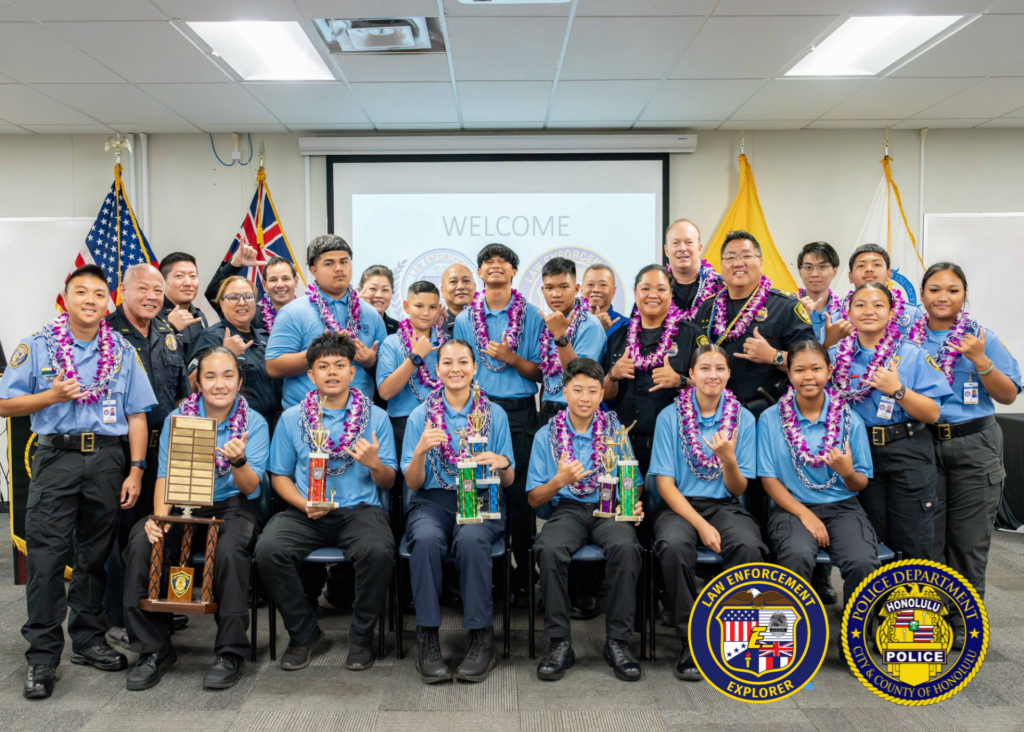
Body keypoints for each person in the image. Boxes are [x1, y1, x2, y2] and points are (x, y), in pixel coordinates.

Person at [0, 265, 156, 700]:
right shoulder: (36, 347)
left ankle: (87, 639)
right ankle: (43, 657)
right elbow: (5, 405)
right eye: (81, 292)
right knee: (47, 558)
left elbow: (138, 415)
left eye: (98, 293)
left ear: (109, 302)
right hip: (57, 457)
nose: (90, 299)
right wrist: (51, 396)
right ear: (65, 298)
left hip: (108, 459)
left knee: (95, 554)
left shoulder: (123, 352)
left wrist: (137, 469)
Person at [122, 347, 270, 691]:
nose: (220, 384)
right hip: (183, 504)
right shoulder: (179, 419)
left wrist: (238, 461)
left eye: (228, 375)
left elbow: (251, 489)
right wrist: (159, 518)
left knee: (231, 552)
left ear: (240, 380)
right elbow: (163, 476)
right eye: (210, 376)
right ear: (198, 383)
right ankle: (153, 649)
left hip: (233, 505)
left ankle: (230, 651)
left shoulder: (255, 423)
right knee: (143, 543)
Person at [256, 332, 397, 671]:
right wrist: (303, 504)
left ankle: (361, 638)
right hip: (306, 510)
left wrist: (374, 463)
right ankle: (304, 633)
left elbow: (389, 480)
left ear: (353, 372)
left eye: (340, 365)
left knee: (378, 552)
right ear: (311, 375)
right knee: (267, 549)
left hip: (360, 511)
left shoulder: (376, 417)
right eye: (323, 366)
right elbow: (279, 476)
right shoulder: (292, 418)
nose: (332, 372)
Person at [912, 263, 1020, 644]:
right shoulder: (907, 340)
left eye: (953, 290)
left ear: (965, 295)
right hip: (925, 443)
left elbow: (1008, 394)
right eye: (935, 289)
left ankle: (965, 622)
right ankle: (932, 618)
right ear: (921, 295)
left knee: (969, 539)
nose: (943, 297)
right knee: (931, 538)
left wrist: (980, 360)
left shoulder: (981, 338)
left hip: (975, 444)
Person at [647, 344, 764, 682]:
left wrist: (728, 457)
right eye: (705, 368)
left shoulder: (744, 418)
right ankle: (692, 639)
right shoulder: (670, 416)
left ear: (729, 374)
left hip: (724, 504)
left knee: (748, 546)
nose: (713, 375)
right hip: (680, 505)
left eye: (720, 368)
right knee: (673, 546)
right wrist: (699, 525)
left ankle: (737, 634)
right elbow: (665, 485)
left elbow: (739, 489)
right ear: (692, 375)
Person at [401, 339, 515, 684]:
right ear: (436, 371)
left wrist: (501, 462)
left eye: (463, 362)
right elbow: (412, 481)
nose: (455, 369)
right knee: (424, 539)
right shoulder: (420, 415)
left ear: (474, 367)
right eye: (447, 362)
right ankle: (428, 638)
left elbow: (508, 480)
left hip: (480, 500)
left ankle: (481, 638)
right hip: (432, 500)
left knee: (470, 541)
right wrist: (420, 450)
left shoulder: (494, 413)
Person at [527, 358, 644, 683]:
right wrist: (560, 480)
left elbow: (632, 481)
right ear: (564, 392)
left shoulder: (615, 431)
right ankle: (559, 642)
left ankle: (618, 642)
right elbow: (535, 499)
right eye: (577, 389)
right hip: (568, 509)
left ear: (601, 393)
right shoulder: (546, 435)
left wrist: (633, 503)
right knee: (548, 549)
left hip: (609, 510)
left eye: (593, 390)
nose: (585, 397)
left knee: (626, 547)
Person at [758, 341, 879, 643]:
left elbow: (860, 483)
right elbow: (768, 480)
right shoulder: (771, 418)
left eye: (816, 368)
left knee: (863, 561)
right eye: (799, 369)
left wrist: (846, 470)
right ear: (789, 373)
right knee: (796, 556)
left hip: (843, 507)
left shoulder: (850, 419)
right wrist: (806, 516)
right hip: (791, 508)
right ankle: (782, 640)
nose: (808, 376)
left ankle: (857, 642)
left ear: (829, 371)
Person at [828, 283, 951, 561]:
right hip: (860, 453)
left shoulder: (912, 354)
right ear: (847, 312)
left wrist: (898, 389)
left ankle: (912, 602)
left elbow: (932, 413)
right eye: (860, 305)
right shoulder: (835, 358)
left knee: (913, 538)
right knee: (870, 537)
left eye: (878, 305)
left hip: (907, 448)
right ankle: (874, 604)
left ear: (892, 312)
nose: (868, 311)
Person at [104, 264, 192, 642]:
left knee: (164, 527)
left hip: (165, 449)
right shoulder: (105, 334)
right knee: (120, 535)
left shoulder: (167, 334)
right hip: (121, 451)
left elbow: (180, 396)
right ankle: (120, 618)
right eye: (143, 289)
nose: (152, 297)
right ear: (123, 290)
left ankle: (160, 606)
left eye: (158, 290)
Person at [453, 243, 544, 602]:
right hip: (478, 412)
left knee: (519, 497)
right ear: (480, 272)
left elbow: (539, 373)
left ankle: (524, 575)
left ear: (512, 271)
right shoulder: (464, 319)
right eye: (487, 262)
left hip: (520, 411)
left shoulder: (532, 315)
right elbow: (459, 370)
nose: (495, 266)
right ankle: (492, 573)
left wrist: (510, 357)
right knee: (479, 489)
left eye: (503, 261)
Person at [694, 230, 817, 417]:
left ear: (760, 262)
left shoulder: (785, 306)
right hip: (714, 416)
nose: (738, 263)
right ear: (721, 265)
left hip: (770, 416)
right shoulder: (707, 309)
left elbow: (812, 364)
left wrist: (773, 356)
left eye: (746, 255)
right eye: (730, 257)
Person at [265, 235, 387, 410]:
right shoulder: (293, 312)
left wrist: (371, 362)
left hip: (360, 417)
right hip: (306, 418)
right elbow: (273, 367)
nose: (339, 268)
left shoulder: (371, 314)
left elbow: (387, 374)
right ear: (314, 271)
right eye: (329, 263)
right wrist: (318, 353)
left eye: (344, 262)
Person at [603, 265, 699, 475]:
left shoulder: (690, 335)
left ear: (671, 294)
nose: (652, 295)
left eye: (661, 289)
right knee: (625, 506)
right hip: (623, 447)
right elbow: (605, 394)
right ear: (636, 293)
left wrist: (680, 381)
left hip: (671, 446)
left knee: (664, 507)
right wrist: (612, 374)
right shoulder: (618, 337)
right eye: (645, 289)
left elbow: (711, 387)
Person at [189, 276, 281, 426]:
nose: (242, 302)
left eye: (247, 296)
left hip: (274, 427)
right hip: (235, 427)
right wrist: (225, 353)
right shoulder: (212, 336)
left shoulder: (266, 337)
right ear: (222, 303)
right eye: (233, 297)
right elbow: (192, 385)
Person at [377, 281, 445, 465]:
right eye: (419, 306)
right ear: (406, 306)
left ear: (439, 309)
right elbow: (385, 392)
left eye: (432, 307)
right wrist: (415, 357)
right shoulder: (391, 343)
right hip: (402, 424)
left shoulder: (447, 344)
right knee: (406, 485)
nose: (425, 313)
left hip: (441, 423)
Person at [538, 258, 606, 426]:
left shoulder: (591, 325)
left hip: (576, 413)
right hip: (546, 413)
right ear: (543, 290)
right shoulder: (545, 323)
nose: (556, 294)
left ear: (576, 288)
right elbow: (545, 375)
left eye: (563, 287)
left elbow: (580, 374)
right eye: (549, 288)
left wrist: (560, 334)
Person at [831, 243, 925, 343]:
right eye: (861, 265)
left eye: (877, 264)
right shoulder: (836, 316)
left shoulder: (913, 315)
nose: (869, 269)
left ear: (888, 275)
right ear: (850, 277)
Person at [204, 243, 300, 332]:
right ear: (264, 285)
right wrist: (235, 264)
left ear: (296, 281)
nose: (280, 285)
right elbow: (213, 294)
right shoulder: (251, 314)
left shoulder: (309, 311)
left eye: (286, 279)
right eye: (273, 280)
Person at [663, 219, 723, 319]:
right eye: (675, 243)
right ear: (666, 250)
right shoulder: (654, 288)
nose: (682, 248)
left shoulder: (722, 286)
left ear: (699, 249)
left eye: (689, 242)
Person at [159, 252, 208, 365]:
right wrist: (169, 327)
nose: (188, 283)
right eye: (179, 276)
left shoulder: (200, 317)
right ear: (163, 282)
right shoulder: (152, 315)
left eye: (193, 276)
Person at [796, 241, 846, 346]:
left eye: (822, 267)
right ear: (800, 272)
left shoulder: (844, 311)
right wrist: (797, 318)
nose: (814, 274)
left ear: (834, 271)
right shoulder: (789, 307)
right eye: (808, 267)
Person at [582, 264, 626, 335]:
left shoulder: (626, 326)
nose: (596, 290)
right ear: (581, 290)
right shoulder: (570, 323)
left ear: (613, 291)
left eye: (603, 285)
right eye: (590, 284)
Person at [359, 264, 399, 336]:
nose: (379, 295)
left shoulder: (399, 330)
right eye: (373, 289)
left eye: (385, 290)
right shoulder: (346, 322)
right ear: (360, 291)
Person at [439, 263, 477, 339]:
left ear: (475, 287)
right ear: (443, 291)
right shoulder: (437, 327)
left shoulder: (487, 321)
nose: (460, 287)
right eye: (453, 282)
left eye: (466, 281)